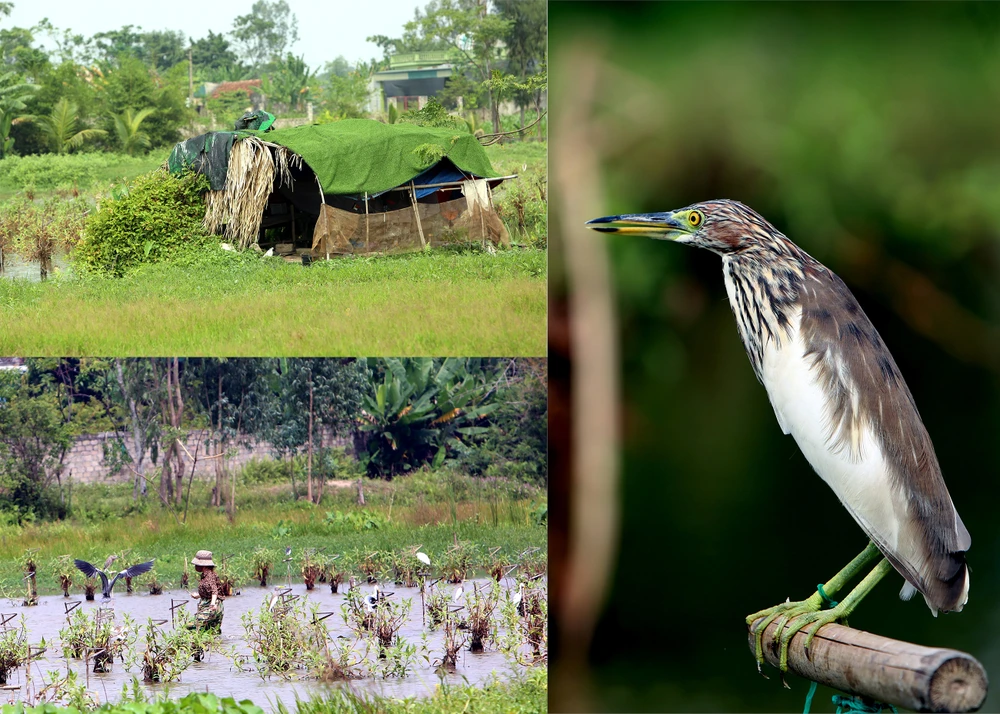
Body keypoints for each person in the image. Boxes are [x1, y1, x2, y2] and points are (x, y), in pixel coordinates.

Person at [189, 550, 224, 633]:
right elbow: (210, 592)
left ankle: (194, 644)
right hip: (216, 605)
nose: (195, 566)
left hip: (211, 606)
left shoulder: (209, 576)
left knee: (192, 626)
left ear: (203, 565)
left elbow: (214, 591)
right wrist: (199, 595)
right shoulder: (208, 575)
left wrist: (212, 604)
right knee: (212, 631)